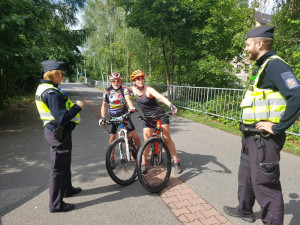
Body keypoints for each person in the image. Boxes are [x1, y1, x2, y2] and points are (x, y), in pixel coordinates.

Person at [223, 26, 300, 224]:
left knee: (266, 186)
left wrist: (277, 127)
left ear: (259, 44)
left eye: (247, 45)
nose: (245, 49)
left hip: (264, 139)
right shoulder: (263, 66)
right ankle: (245, 210)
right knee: (246, 178)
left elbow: (297, 96)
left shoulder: (275, 66)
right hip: (251, 136)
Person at [35, 60, 84, 213]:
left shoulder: (45, 88)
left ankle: (67, 190)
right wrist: (77, 107)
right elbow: (61, 117)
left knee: (65, 163)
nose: (63, 77)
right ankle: (56, 204)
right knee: (57, 169)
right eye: (61, 74)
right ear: (54, 74)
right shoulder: (51, 93)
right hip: (58, 132)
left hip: (61, 132)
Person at [128, 70, 182, 174]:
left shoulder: (149, 90)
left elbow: (160, 97)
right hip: (148, 118)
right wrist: (109, 90)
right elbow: (121, 88)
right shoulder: (133, 89)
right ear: (134, 81)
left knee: (166, 138)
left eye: (142, 78)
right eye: (138, 78)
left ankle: (176, 161)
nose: (140, 80)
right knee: (147, 141)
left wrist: (171, 106)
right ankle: (143, 163)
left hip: (160, 115)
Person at [99, 72, 141, 167]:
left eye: (118, 81)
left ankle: (140, 152)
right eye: (113, 81)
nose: (116, 82)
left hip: (124, 115)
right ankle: (112, 157)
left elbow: (128, 99)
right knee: (112, 138)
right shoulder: (107, 91)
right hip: (113, 117)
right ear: (111, 81)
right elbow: (104, 105)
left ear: (120, 81)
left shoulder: (124, 89)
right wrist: (102, 117)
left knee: (134, 134)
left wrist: (131, 107)